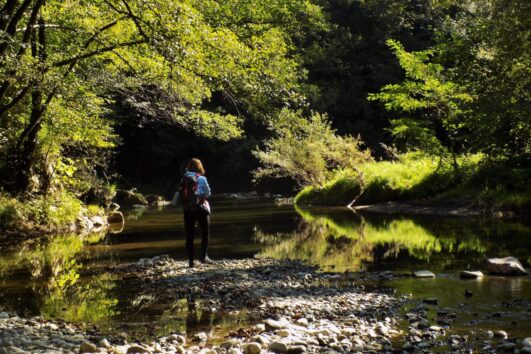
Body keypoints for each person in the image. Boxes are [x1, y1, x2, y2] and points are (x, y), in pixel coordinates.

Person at [179, 158, 212, 268]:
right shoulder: (202, 178)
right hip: (200, 208)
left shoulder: (184, 178)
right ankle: (203, 258)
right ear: (199, 167)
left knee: (189, 235)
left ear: (189, 166)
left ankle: (191, 262)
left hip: (187, 209)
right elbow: (207, 195)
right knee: (205, 232)